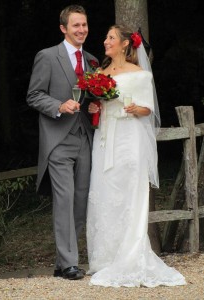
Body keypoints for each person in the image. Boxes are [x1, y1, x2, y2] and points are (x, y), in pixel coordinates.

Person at [86, 24, 186, 287]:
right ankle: (106, 256)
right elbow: (98, 107)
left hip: (129, 139)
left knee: (129, 193)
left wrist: (135, 108)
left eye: (110, 37)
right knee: (105, 191)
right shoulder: (100, 73)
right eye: (106, 37)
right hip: (105, 138)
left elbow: (148, 110)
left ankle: (130, 254)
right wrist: (95, 105)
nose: (105, 41)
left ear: (125, 44)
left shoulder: (140, 75)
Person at [26, 5, 98, 280]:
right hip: (58, 140)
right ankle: (70, 263)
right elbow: (34, 95)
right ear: (63, 28)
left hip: (85, 139)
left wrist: (92, 107)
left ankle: (61, 261)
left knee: (80, 202)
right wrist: (58, 105)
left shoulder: (92, 61)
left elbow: (91, 99)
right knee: (65, 199)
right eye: (76, 25)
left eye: (84, 25)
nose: (81, 30)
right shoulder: (47, 56)